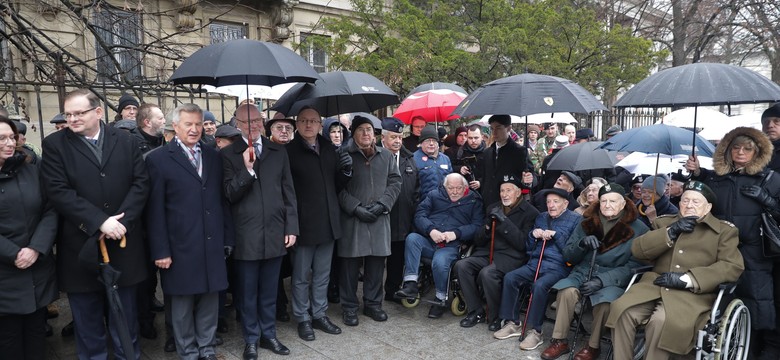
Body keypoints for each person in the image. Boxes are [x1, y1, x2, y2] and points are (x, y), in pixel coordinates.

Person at [41, 89, 149, 359]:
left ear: (98, 112)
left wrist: (120, 222)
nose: (73, 119)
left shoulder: (126, 141)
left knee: (125, 319)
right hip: (81, 247)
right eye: (69, 114)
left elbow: (140, 183)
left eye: (79, 113)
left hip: (123, 244)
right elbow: (58, 191)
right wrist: (100, 222)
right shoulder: (55, 144)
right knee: (87, 322)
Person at [607, 181, 744, 360]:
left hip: (692, 294)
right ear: (679, 203)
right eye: (685, 200)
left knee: (661, 321)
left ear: (708, 207)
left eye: (696, 201)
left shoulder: (724, 231)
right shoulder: (663, 223)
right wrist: (670, 232)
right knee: (621, 310)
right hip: (654, 285)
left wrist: (689, 279)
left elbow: (731, 266)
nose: (689, 205)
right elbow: (638, 252)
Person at [145, 104, 233, 360]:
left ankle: (206, 349)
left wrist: (227, 238)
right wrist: (161, 250)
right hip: (179, 245)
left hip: (211, 242)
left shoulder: (214, 156)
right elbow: (155, 211)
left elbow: (221, 201)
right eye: (188, 124)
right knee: (182, 304)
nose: (194, 129)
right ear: (175, 126)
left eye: (198, 124)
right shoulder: (158, 159)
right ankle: (188, 352)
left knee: (209, 299)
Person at [685, 126, 780, 359]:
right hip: (721, 246)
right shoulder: (716, 178)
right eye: (736, 147)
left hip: (755, 248)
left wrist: (766, 199)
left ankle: (764, 347)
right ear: (727, 150)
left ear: (757, 152)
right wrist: (697, 173)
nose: (741, 152)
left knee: (757, 297)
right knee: (720, 295)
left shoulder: (770, 178)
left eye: (748, 148)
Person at [221, 104, 298, 358]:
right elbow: (229, 194)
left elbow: (289, 193)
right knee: (247, 293)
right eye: (246, 122)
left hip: (276, 232)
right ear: (237, 125)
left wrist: (291, 227)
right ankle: (251, 338)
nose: (252, 126)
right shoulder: (229, 154)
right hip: (246, 236)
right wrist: (247, 169)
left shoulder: (278, 151)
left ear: (263, 122)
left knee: (269, 291)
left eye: (257, 121)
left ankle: (269, 335)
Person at [541, 183, 649, 360]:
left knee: (605, 303)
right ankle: (559, 341)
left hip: (612, 276)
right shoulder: (587, 222)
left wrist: (602, 281)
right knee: (566, 292)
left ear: (623, 204)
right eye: (604, 200)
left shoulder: (639, 229)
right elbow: (569, 255)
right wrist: (581, 244)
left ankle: (593, 346)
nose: (607, 205)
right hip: (583, 271)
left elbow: (634, 266)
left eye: (613, 201)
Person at [285, 106, 351, 342]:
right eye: (304, 121)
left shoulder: (328, 148)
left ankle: (319, 313)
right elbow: (287, 191)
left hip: (329, 220)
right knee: (302, 275)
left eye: (313, 121)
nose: (309, 125)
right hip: (303, 222)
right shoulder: (289, 151)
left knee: (323, 274)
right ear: (297, 123)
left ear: (320, 123)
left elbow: (336, 184)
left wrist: (346, 171)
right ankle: (302, 317)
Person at [493, 188, 581, 350]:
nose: (551, 205)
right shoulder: (541, 217)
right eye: (548, 202)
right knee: (511, 278)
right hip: (535, 263)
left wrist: (556, 235)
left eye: (555, 202)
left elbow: (572, 251)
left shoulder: (576, 220)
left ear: (566, 203)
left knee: (539, 285)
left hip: (558, 267)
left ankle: (536, 331)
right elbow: (528, 247)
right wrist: (533, 235)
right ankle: (513, 322)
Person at [0, 116, 58, 359]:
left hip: (37, 267)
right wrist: (14, 253)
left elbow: (51, 209)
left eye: (11, 137)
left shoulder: (31, 169)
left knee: (37, 335)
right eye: (1, 138)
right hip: (5, 274)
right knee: (9, 339)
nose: (9, 143)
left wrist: (36, 248)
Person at [337, 115, 401, 326]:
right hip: (353, 218)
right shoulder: (343, 155)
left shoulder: (386, 156)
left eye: (369, 129)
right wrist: (355, 208)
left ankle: (373, 304)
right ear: (353, 133)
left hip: (379, 217)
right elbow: (336, 188)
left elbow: (395, 182)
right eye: (361, 130)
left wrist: (383, 204)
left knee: (376, 264)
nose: (366, 133)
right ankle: (349, 307)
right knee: (349, 266)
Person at [454, 175, 538, 330]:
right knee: (462, 266)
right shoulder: (493, 207)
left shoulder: (530, 212)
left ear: (518, 193)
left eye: (508, 190)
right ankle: (476, 310)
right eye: (501, 191)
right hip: (487, 252)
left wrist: (504, 222)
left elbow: (522, 243)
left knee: (488, 273)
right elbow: (479, 240)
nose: (504, 194)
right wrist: (486, 229)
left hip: (510, 256)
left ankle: (496, 316)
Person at [395, 173, 483, 317]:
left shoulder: (474, 200)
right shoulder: (434, 195)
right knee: (412, 239)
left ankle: (441, 297)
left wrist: (456, 233)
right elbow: (419, 215)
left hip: (451, 245)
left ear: (465, 187)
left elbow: (478, 226)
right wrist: (431, 230)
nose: (454, 192)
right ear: (444, 187)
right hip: (430, 240)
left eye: (458, 188)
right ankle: (410, 284)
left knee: (440, 261)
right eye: (450, 188)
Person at [380, 117, 420, 301]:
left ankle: (391, 291)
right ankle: (372, 295)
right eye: (393, 137)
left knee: (397, 258)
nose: (397, 141)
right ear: (383, 138)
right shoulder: (375, 156)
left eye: (400, 137)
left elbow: (416, 189)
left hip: (403, 217)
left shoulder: (409, 159)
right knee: (377, 259)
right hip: (380, 217)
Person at [480, 115, 536, 209]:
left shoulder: (519, 152)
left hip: (510, 206)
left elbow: (532, 175)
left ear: (509, 128)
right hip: (488, 204)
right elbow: (484, 178)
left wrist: (529, 180)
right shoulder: (487, 152)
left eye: (498, 128)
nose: (494, 132)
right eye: (492, 128)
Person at [761, 103, 780, 358]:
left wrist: (770, 203)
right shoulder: (759, 154)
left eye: (776, 121)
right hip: (760, 237)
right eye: (767, 121)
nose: (770, 126)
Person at [413, 125, 452, 199]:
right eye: (428, 140)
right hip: (423, 203)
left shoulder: (445, 159)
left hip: (444, 202)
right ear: (421, 143)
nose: (431, 143)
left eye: (434, 140)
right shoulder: (413, 159)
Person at [453, 125, 486, 191]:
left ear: (482, 137)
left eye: (476, 138)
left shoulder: (488, 152)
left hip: (484, 192)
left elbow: (493, 173)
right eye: (470, 138)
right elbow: (451, 167)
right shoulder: (460, 151)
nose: (473, 141)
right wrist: (460, 169)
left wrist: (481, 182)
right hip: (465, 191)